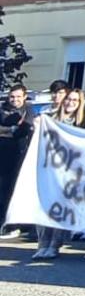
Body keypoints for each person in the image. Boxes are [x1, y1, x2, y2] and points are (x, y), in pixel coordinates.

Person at [32, 89, 85, 259]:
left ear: (80, 103)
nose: (71, 103)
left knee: (61, 209)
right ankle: (42, 243)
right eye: (69, 99)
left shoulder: (84, 123)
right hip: (48, 170)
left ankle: (55, 245)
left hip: (70, 173)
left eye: (75, 100)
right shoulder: (50, 119)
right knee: (44, 207)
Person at [0, 84, 34, 241]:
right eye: (12, 97)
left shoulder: (29, 110)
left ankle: (14, 225)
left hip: (20, 156)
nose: (15, 100)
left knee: (14, 190)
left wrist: (6, 130)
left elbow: (23, 130)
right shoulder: (2, 109)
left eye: (18, 96)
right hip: (3, 156)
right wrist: (12, 129)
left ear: (24, 96)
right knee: (2, 190)